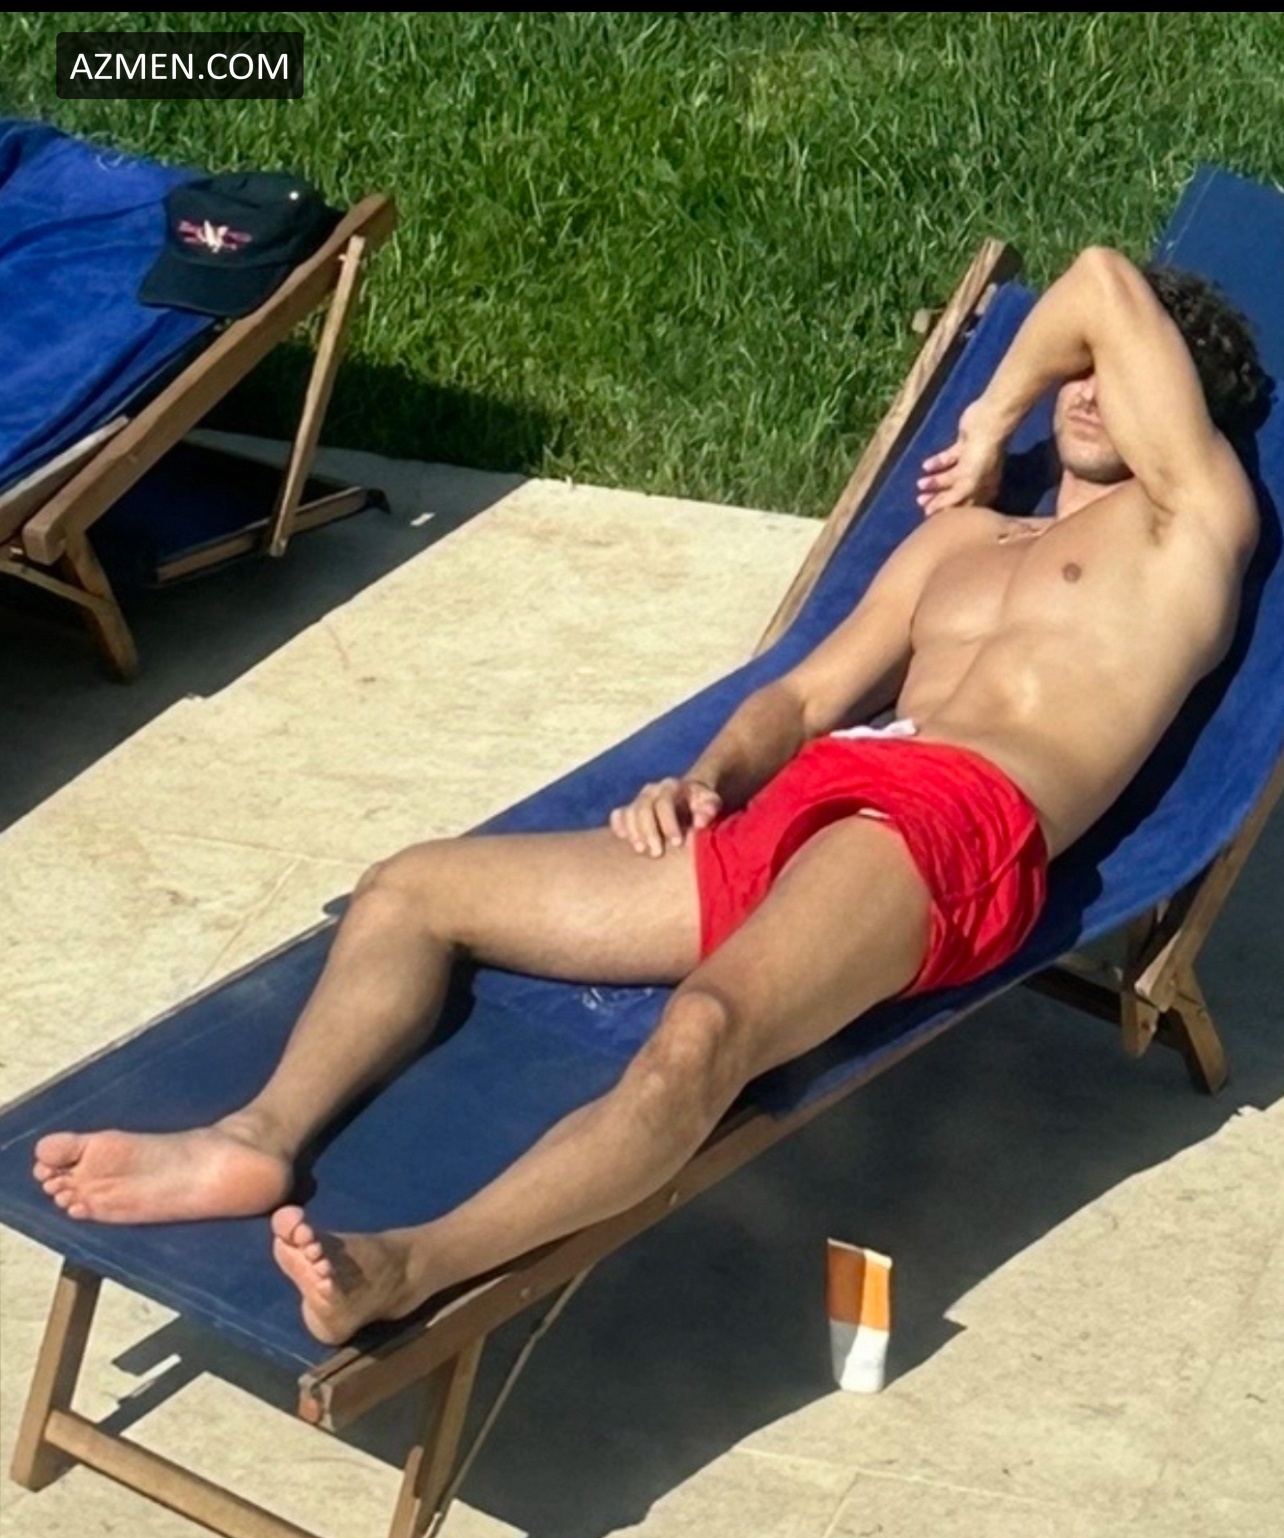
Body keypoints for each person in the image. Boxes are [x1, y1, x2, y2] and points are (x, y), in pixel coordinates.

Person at [32, 247, 1270, 1347]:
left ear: (1184, 417)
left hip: (948, 823)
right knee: (411, 889)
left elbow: (1100, 280)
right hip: (816, 804)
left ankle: (409, 1266)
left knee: (702, 1035)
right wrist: (709, 776)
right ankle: (254, 1139)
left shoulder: (1190, 531)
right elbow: (803, 697)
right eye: (1074, 370)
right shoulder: (958, 542)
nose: (1089, 385)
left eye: (1121, 373)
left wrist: (992, 411)